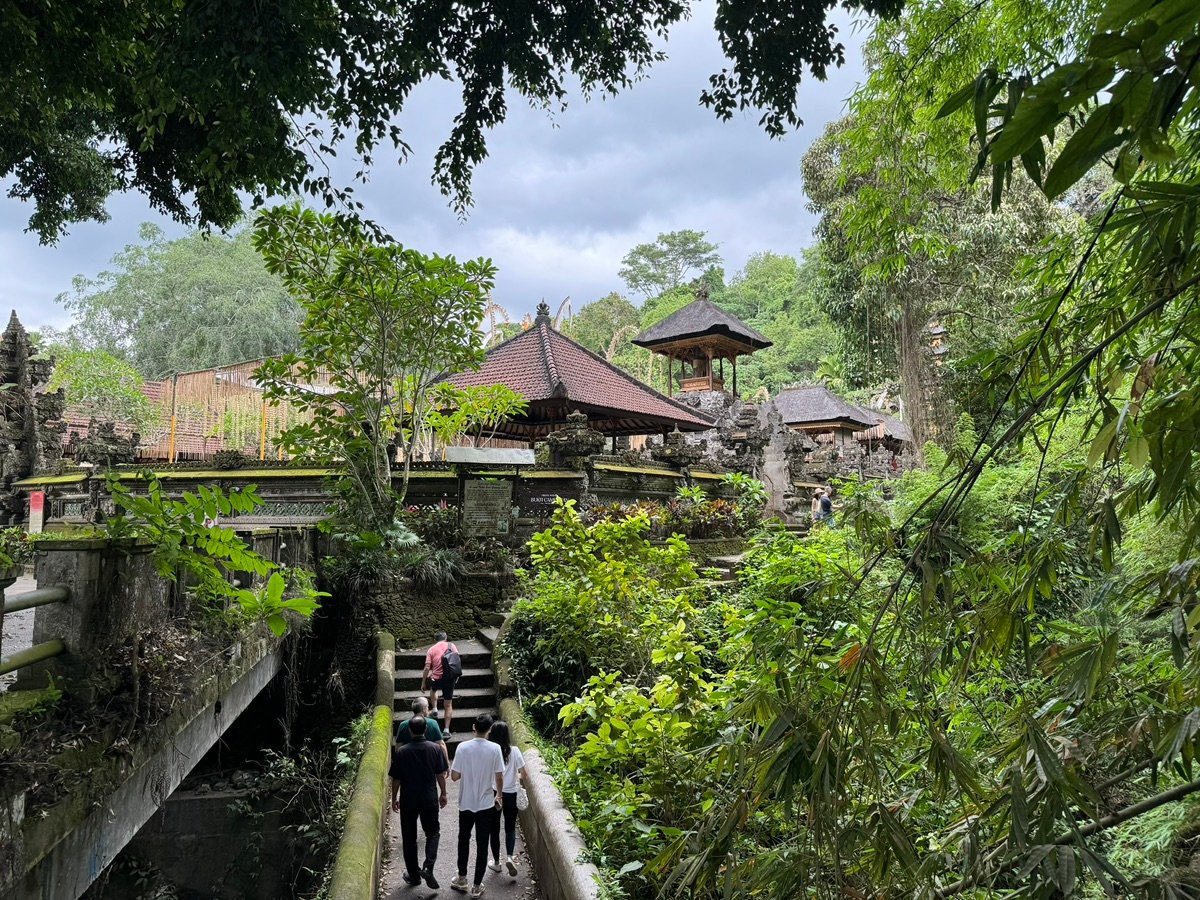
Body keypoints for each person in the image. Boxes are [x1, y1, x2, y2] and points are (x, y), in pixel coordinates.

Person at [449, 714, 504, 897]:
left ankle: (462, 878)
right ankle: (476, 886)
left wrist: (469, 772)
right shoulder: (495, 748)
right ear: (489, 729)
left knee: (463, 839)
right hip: (486, 803)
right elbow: (499, 776)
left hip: (466, 803)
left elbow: (455, 776)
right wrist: (500, 796)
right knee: (482, 844)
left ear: (474, 727)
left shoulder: (462, 748)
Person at [390, 716, 448, 890]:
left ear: (409, 730)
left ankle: (414, 876)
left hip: (409, 799)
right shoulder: (435, 749)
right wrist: (443, 793)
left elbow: (396, 779)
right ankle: (428, 867)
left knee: (409, 838)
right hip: (429, 797)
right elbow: (440, 774)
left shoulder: (402, 752)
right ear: (425, 730)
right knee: (433, 832)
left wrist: (394, 798)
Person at [486, 720, 526, 877]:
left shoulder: (490, 752)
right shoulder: (515, 751)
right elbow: (525, 774)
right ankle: (509, 856)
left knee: (493, 829)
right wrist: (516, 776)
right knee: (510, 827)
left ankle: (496, 863)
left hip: (494, 794)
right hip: (511, 793)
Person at [422, 630, 460, 734]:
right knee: (448, 704)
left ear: (434, 640)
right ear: (446, 638)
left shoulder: (431, 649)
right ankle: (446, 730)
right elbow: (456, 659)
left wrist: (423, 682)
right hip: (449, 678)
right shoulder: (451, 646)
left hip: (436, 677)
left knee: (433, 689)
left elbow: (426, 667)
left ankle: (434, 709)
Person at [396, 697, 449, 762]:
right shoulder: (433, 723)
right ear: (423, 709)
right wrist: (447, 763)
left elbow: (398, 747)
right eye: (427, 707)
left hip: (409, 761)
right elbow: (441, 745)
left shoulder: (403, 725)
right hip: (430, 760)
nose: (428, 709)